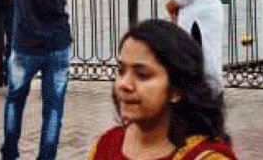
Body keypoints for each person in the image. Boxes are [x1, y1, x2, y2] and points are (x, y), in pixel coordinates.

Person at [86, 19, 237, 160]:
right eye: (121, 71)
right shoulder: (106, 144)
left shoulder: (204, 156)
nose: (124, 84)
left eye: (142, 75)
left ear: (176, 90)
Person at [0, 0, 79, 160]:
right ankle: (47, 156)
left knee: (15, 100)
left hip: (25, 41)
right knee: (54, 106)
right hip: (58, 41)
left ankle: (10, 153)